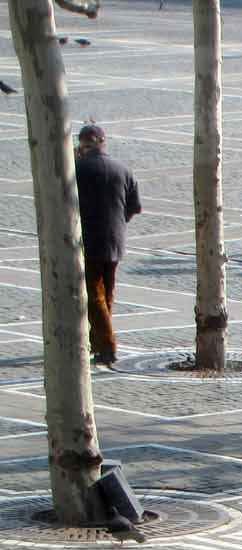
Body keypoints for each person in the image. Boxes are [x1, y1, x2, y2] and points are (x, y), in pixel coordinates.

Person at [74, 124, 141, 369]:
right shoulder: (122, 168)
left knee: (94, 294)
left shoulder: (78, 169)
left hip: (89, 239)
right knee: (107, 292)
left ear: (82, 145)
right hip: (115, 238)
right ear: (104, 141)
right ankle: (98, 341)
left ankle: (108, 345)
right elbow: (135, 207)